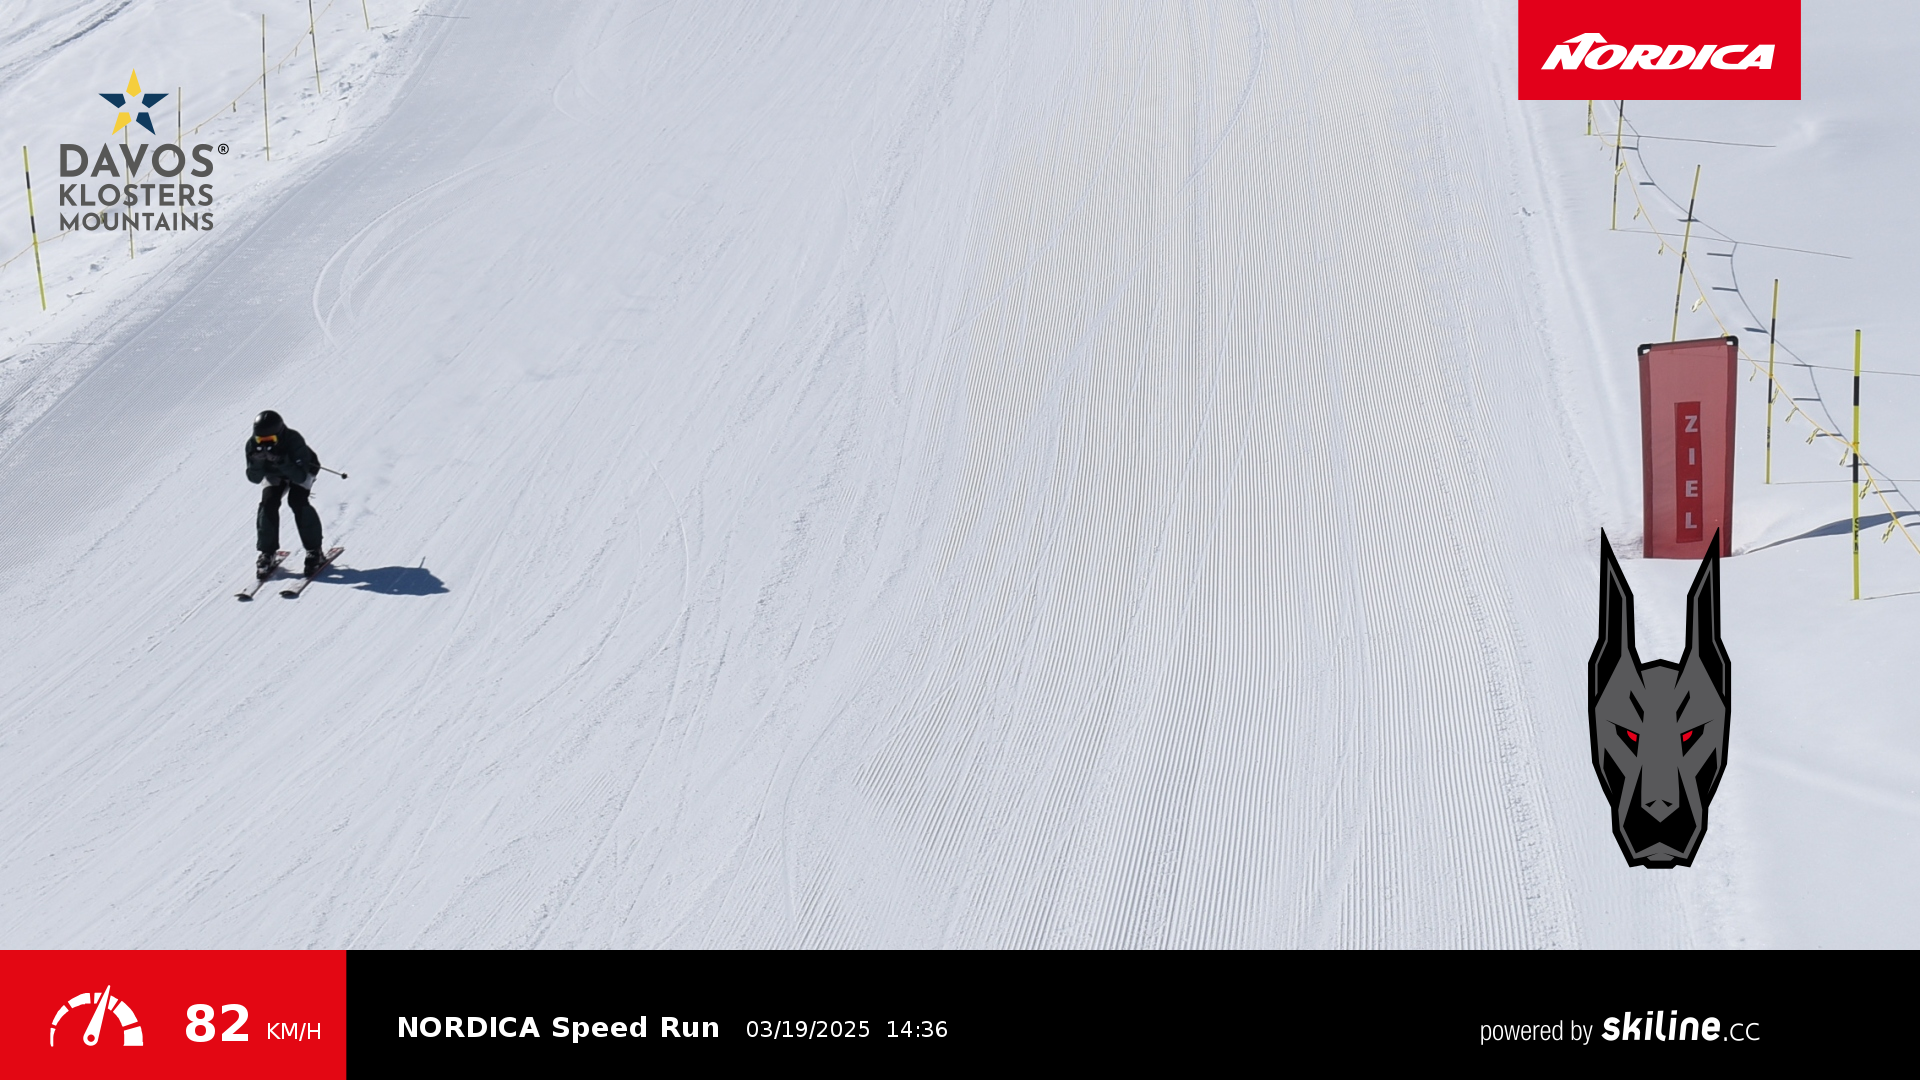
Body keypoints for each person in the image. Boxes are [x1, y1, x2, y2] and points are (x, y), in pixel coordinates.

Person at [245, 410, 327, 577]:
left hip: (302, 470)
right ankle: (267, 552)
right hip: (274, 474)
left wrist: (281, 460)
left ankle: (314, 550)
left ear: (279, 434)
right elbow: (254, 478)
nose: (265, 444)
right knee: (268, 504)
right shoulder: (252, 445)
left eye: (270, 439)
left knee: (297, 501)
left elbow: (300, 476)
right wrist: (257, 462)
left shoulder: (293, 440)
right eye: (261, 440)